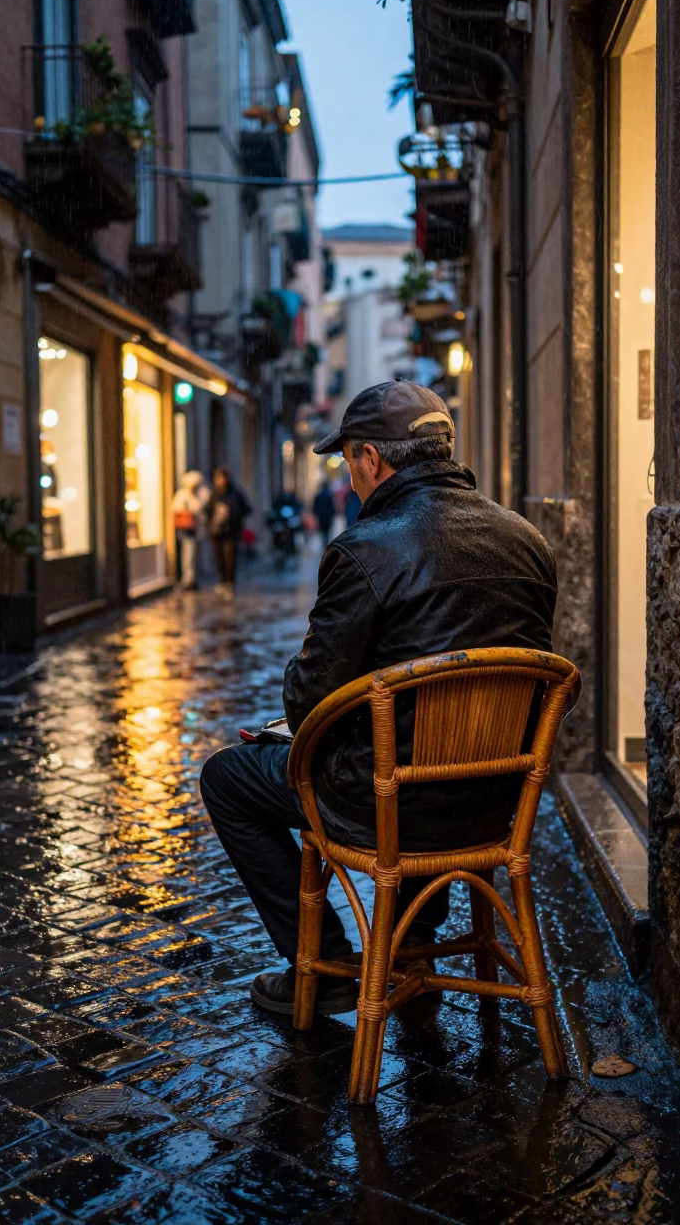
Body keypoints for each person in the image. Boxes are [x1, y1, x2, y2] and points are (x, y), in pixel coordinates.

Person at [200, 380, 558, 1016]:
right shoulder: (527, 539)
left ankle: (332, 965)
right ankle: (409, 941)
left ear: (371, 459)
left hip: (392, 803)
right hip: (498, 796)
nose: (352, 479)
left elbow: (311, 696)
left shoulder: (365, 547)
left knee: (227, 777)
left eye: (349, 463)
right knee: (416, 743)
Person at [207, 467, 251, 594]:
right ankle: (222, 581)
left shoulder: (236, 493)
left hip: (232, 530)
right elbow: (208, 511)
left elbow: (245, 509)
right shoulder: (214, 494)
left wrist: (231, 514)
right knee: (219, 556)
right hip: (217, 531)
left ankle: (230, 582)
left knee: (231, 557)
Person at [171, 470, 209, 590]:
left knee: (196, 554)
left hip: (199, 529)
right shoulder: (182, 495)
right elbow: (176, 509)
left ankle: (195, 576)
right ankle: (188, 578)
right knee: (188, 553)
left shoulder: (203, 494)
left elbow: (204, 509)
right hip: (187, 529)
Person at [312, 479, 336, 546]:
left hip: (321, 515)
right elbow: (332, 505)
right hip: (328, 515)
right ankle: (326, 541)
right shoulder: (329, 495)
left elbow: (315, 506)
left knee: (323, 530)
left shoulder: (319, 495)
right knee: (327, 530)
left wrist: (316, 513)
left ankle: (324, 542)